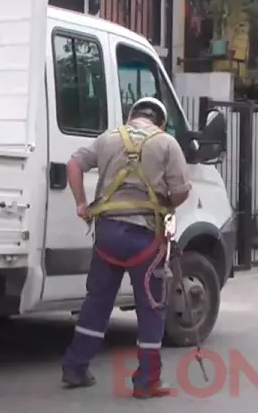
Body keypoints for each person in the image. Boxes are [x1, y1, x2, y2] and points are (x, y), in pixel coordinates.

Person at [59, 96, 192, 399]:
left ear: (132, 116)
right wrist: (164, 206)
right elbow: (181, 191)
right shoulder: (166, 143)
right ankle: (147, 382)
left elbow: (74, 164)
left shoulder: (108, 138)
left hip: (107, 234)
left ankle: (75, 367)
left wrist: (81, 203)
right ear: (160, 122)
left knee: (97, 301)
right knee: (151, 307)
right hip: (144, 236)